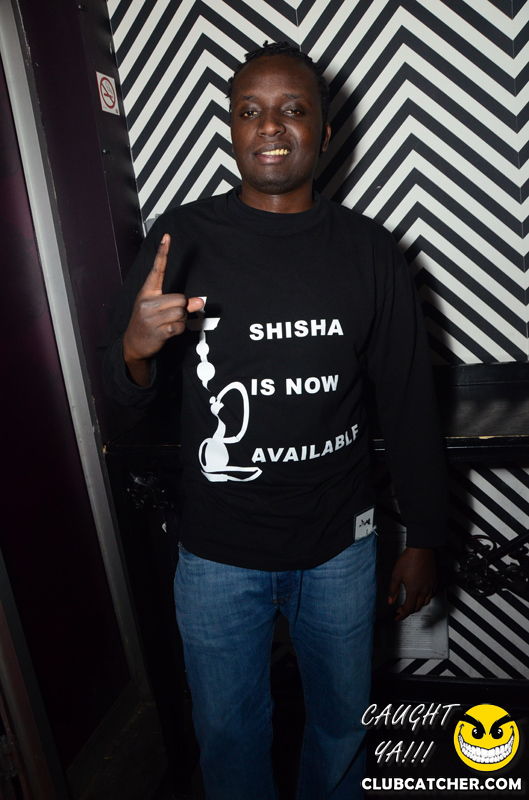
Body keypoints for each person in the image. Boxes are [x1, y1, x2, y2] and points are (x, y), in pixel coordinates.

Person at [103, 41, 448, 800]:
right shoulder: (181, 240)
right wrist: (133, 350)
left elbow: (409, 404)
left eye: (293, 109)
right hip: (218, 554)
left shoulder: (370, 253)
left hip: (340, 549)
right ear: (232, 129)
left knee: (342, 727)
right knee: (229, 735)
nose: (270, 126)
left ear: (324, 132)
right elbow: (121, 398)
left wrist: (424, 536)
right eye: (249, 110)